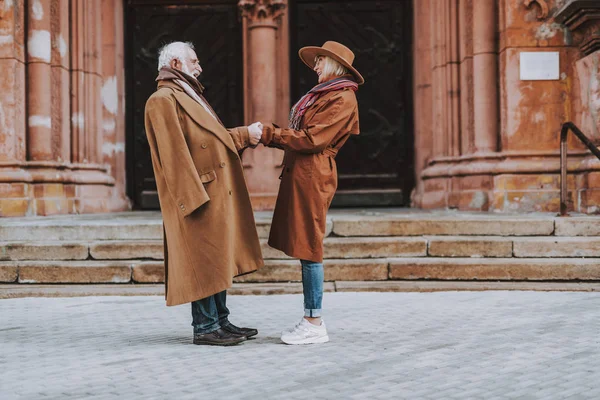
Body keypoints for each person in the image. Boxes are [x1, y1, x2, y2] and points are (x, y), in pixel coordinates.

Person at [144, 41, 264, 346]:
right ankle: (206, 326)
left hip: (215, 192)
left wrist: (244, 136)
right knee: (203, 260)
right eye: (194, 61)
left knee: (216, 259)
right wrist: (191, 200)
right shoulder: (162, 100)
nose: (200, 67)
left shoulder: (189, 95)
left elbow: (214, 138)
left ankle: (221, 320)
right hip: (197, 194)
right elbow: (173, 156)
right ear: (175, 63)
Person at [258, 41, 363, 345]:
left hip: (313, 174)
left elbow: (313, 139)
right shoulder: (324, 95)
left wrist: (267, 133)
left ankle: (314, 322)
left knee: (310, 247)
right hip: (303, 172)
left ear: (334, 65)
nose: (315, 67)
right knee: (306, 245)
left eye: (320, 61)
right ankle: (311, 318)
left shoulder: (343, 98)